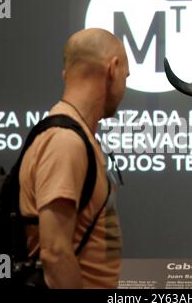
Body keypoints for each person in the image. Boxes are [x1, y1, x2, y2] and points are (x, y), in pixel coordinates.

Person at [19, 28, 129, 288]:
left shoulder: (78, 136)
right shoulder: (65, 142)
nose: (124, 87)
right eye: (126, 76)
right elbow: (55, 252)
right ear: (112, 69)